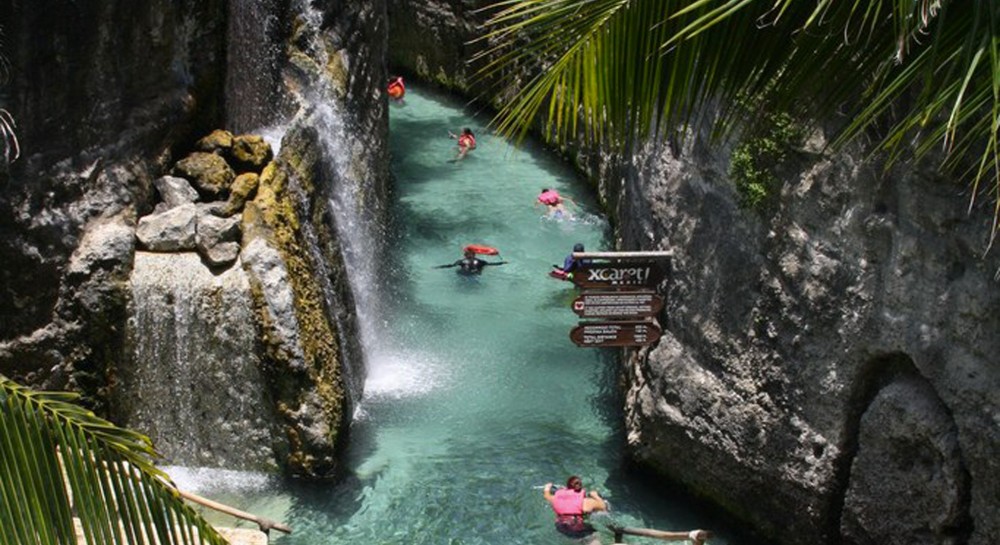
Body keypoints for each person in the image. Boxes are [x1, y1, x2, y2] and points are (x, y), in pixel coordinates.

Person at [543, 476, 607, 542]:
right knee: (593, 536)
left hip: (561, 528)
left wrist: (547, 487)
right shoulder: (586, 502)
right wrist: (595, 495)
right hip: (578, 529)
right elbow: (603, 506)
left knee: (577, 538)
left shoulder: (555, 499)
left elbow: (546, 495)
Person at [435, 248, 507, 275]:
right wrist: (439, 267)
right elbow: (451, 265)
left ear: (474, 254)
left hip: (474, 275)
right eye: (466, 254)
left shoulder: (480, 261)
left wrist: (502, 263)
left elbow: (491, 264)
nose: (466, 255)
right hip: (465, 275)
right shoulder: (461, 261)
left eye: (468, 254)